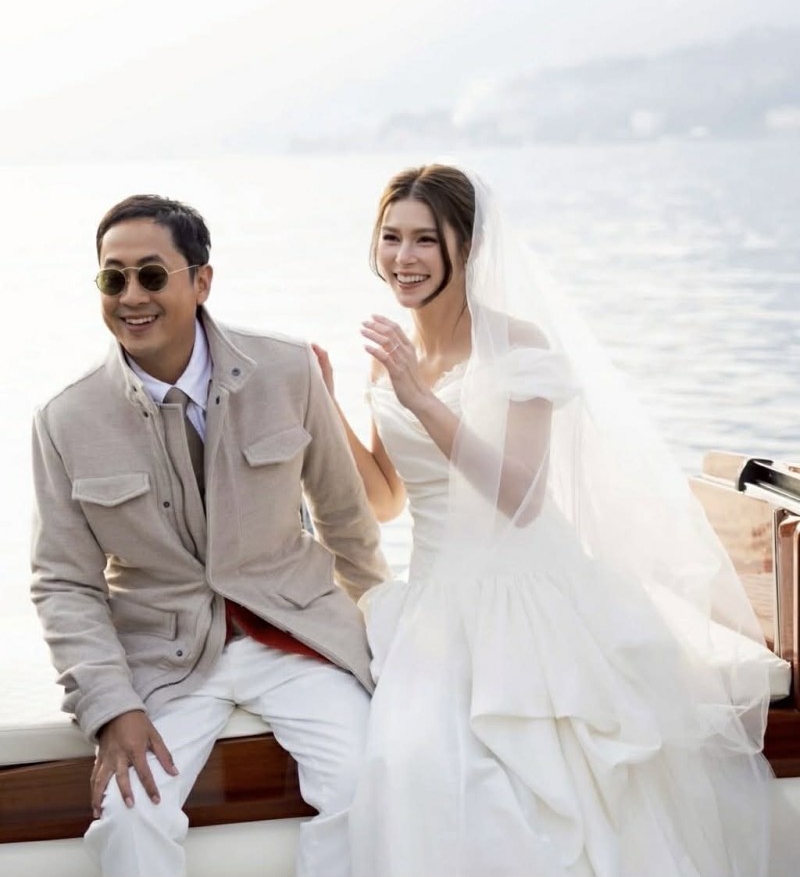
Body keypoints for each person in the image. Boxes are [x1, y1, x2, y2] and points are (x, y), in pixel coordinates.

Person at [314, 164, 779, 877]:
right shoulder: (389, 361)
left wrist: (420, 396)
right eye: (391, 237)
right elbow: (386, 500)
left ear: (467, 247)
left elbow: (521, 497)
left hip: (527, 596)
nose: (404, 257)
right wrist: (327, 406)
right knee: (407, 763)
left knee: (536, 791)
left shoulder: (519, 346)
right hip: (435, 603)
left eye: (425, 240)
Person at [30, 194, 390, 877]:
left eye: (151, 275)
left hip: (298, 638)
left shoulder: (289, 369)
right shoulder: (64, 419)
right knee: (130, 818)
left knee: (371, 782)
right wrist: (110, 706)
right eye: (112, 278)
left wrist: (386, 649)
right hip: (161, 663)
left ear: (201, 281)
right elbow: (64, 585)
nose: (131, 296)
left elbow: (347, 521)